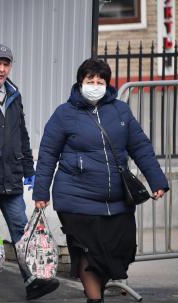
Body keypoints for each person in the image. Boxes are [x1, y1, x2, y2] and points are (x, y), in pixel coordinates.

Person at [32, 58, 169, 303]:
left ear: (107, 84)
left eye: (100, 81)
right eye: (90, 81)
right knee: (89, 252)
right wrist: (41, 193)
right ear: (80, 83)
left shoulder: (120, 111)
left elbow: (140, 146)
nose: (95, 85)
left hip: (117, 199)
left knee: (118, 253)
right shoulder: (64, 114)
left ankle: (97, 292)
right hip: (76, 199)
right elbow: (47, 154)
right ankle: (95, 299)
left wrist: (157, 180)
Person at [0, 44, 60, 301]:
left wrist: (28, 168)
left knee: (21, 228)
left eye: (6, 64)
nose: (1, 69)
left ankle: (32, 280)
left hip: (10, 172)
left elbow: (21, 132)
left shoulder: (13, 93)